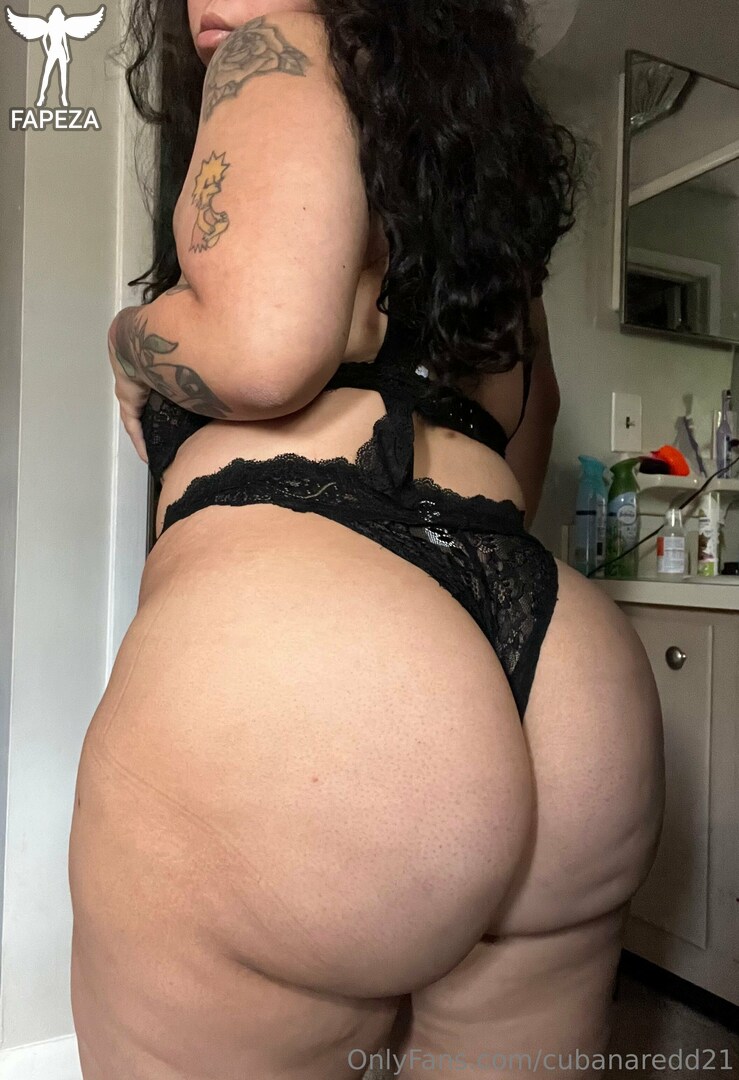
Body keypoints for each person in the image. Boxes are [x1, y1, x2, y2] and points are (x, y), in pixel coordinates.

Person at [68, 3, 663, 1078]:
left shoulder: (277, 47)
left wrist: (127, 340)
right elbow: (523, 444)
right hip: (564, 675)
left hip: (323, 675)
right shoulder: (475, 177)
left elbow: (266, 348)